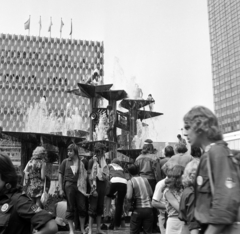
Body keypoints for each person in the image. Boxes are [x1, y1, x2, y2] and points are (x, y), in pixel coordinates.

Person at [183, 106, 240, 234]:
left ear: (200, 127)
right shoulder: (209, 154)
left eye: (188, 127)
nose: (185, 134)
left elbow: (225, 199)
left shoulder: (217, 153)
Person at [0, 152, 58, 234]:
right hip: (32, 186)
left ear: (5, 175)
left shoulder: (19, 201)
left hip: (36, 187)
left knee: (37, 203)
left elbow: (51, 226)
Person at [58, 144, 87, 234]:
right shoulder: (65, 162)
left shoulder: (81, 162)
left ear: (75, 152)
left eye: (71, 151)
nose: (68, 153)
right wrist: (60, 188)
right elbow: (60, 175)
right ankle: (71, 230)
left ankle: (82, 228)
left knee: (82, 207)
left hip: (80, 187)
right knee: (70, 207)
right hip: (69, 185)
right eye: (68, 151)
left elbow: (85, 176)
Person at [88, 143, 109, 234]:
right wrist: (93, 189)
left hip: (102, 185)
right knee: (92, 208)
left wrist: (106, 179)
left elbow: (106, 174)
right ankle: (90, 229)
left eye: (101, 152)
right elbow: (89, 176)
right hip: (95, 184)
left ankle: (98, 229)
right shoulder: (91, 161)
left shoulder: (104, 161)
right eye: (98, 151)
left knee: (100, 207)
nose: (100, 153)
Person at [126, 164, 153, 234]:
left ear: (129, 173)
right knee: (148, 232)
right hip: (149, 209)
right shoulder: (145, 179)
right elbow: (151, 193)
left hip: (138, 210)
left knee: (134, 231)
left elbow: (129, 196)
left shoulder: (130, 181)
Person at [179, 159, 200, 234]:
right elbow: (193, 222)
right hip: (192, 230)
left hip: (186, 228)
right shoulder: (193, 193)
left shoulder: (187, 190)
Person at [105, 158, 127, 229]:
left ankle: (106, 214)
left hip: (114, 181)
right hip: (124, 182)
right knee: (119, 204)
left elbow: (107, 176)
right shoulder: (121, 168)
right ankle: (117, 225)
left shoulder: (109, 165)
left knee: (108, 196)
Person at [163, 165, 185, 234]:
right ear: (178, 177)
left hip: (184, 221)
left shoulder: (183, 188)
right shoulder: (168, 191)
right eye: (183, 175)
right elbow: (179, 208)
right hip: (174, 222)